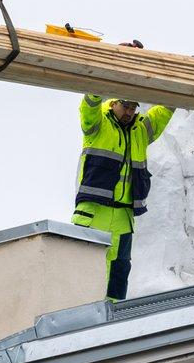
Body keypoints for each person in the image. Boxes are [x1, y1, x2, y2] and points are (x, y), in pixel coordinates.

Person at [73, 91, 174, 301]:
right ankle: (79, 315)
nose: (129, 111)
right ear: (114, 103)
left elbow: (163, 111)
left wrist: (178, 90)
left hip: (124, 216)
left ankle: (113, 323)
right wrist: (97, 84)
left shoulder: (141, 130)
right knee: (83, 266)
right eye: (125, 106)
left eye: (133, 107)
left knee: (119, 270)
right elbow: (89, 107)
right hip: (93, 211)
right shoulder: (98, 123)